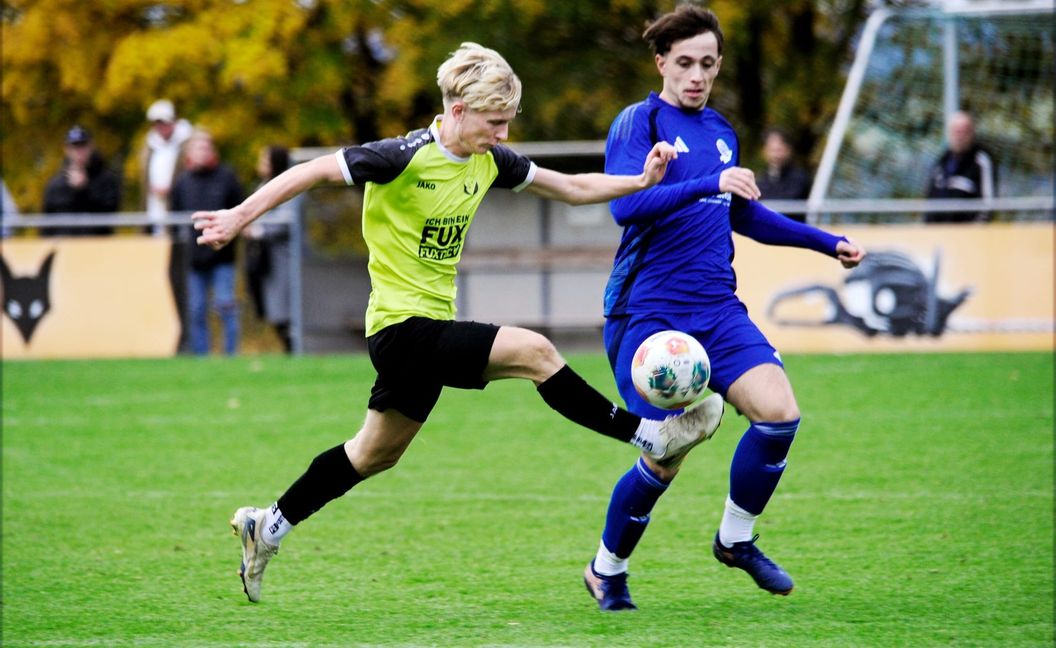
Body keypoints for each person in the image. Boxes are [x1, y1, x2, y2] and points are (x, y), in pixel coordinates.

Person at [193, 42, 724, 604]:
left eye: (507, 123)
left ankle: (268, 525)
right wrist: (236, 216)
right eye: (495, 122)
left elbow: (570, 188)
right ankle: (651, 436)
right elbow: (309, 172)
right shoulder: (400, 155)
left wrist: (640, 182)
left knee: (374, 453)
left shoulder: (490, 159)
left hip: (425, 328)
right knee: (536, 351)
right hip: (399, 328)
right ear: (459, 110)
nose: (502, 134)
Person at [582, 6, 865, 611]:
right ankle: (607, 569)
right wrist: (710, 182)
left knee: (779, 413)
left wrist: (825, 242)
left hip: (717, 307)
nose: (696, 75)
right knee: (663, 456)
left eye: (707, 64)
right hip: (647, 314)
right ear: (661, 63)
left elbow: (745, 215)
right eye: (684, 63)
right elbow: (625, 209)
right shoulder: (638, 123)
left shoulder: (721, 130)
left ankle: (735, 539)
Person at [171, 130, 244, 355]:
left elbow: (241, 212)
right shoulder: (183, 182)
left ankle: (231, 355)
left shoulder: (226, 178)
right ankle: (202, 358)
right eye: (198, 148)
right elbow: (174, 217)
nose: (202, 152)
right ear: (190, 153)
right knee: (197, 310)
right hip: (195, 259)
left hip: (222, 257)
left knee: (225, 307)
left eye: (206, 147)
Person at [244, 146, 301, 353]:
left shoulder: (289, 185)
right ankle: (289, 348)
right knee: (272, 307)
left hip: (284, 258)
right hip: (264, 258)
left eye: (265, 161)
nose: (261, 165)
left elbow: (287, 220)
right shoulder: (261, 186)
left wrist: (259, 230)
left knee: (285, 307)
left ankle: (294, 348)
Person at [41, 125, 120, 236]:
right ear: (66, 150)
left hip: (97, 248)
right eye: (74, 147)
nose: (79, 152)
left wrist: (84, 190)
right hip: (65, 248)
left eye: (83, 146)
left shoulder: (107, 181)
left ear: (91, 147)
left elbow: (110, 215)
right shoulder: (56, 185)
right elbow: (46, 225)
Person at [924, 110, 997, 223]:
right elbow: (930, 200)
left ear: (972, 133)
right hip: (940, 234)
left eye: (964, 132)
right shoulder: (942, 161)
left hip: (969, 234)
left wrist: (975, 231)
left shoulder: (981, 160)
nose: (960, 136)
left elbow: (988, 203)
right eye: (956, 132)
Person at [139, 99, 194, 235]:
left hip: (179, 208)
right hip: (155, 207)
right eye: (156, 123)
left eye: (163, 123)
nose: (160, 127)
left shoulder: (187, 144)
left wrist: (172, 189)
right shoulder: (150, 146)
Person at [757, 127, 812, 222]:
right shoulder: (761, 179)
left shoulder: (799, 177)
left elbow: (789, 201)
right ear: (764, 151)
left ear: (789, 150)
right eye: (772, 150)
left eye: (779, 149)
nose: (776, 155)